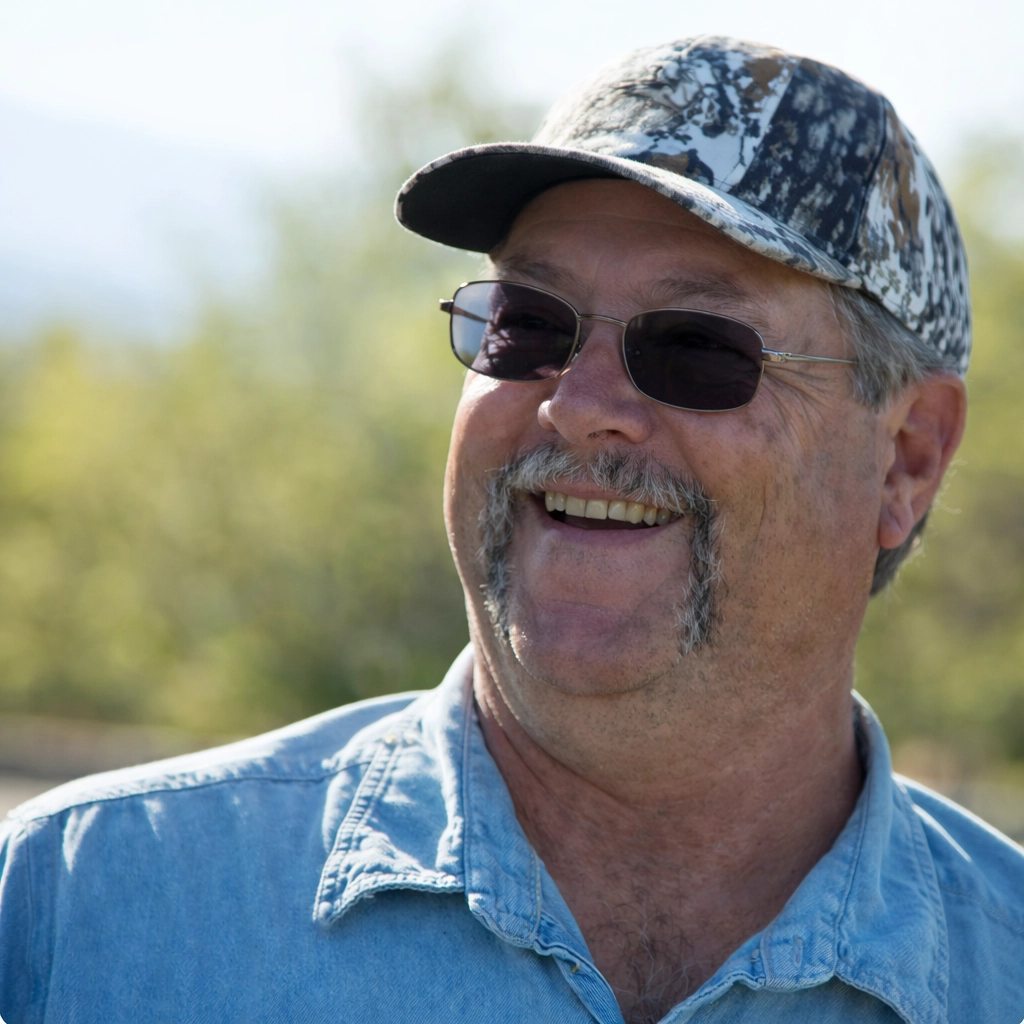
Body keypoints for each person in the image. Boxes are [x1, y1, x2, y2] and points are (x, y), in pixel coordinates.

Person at [1, 35, 1022, 1024]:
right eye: (528, 323)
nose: (577, 404)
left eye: (696, 348)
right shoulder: (77, 912)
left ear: (906, 460)